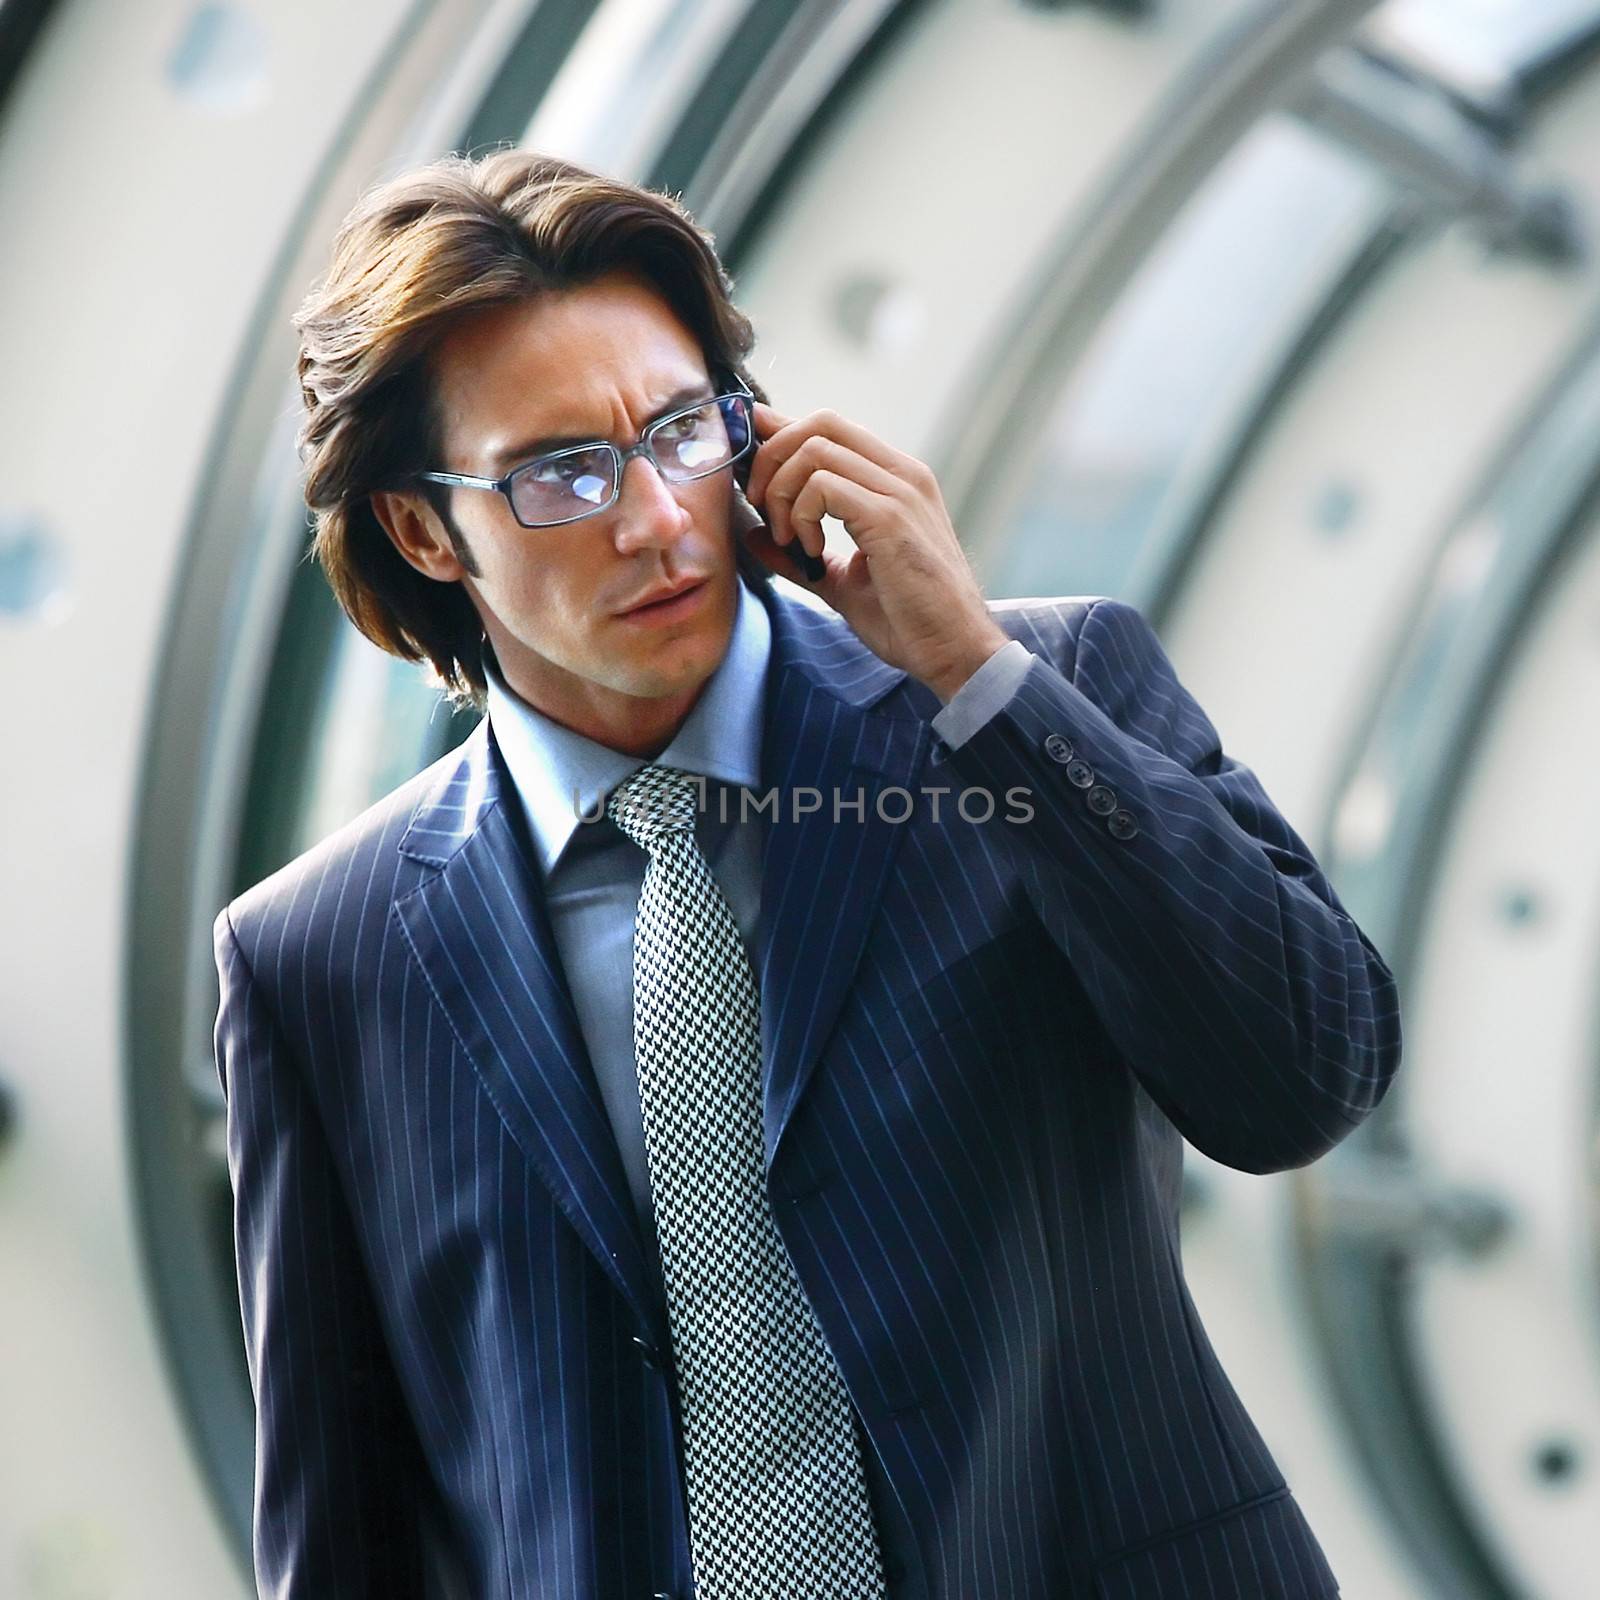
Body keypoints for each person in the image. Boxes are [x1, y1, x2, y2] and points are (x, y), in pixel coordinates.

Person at [211, 145, 1401, 1600]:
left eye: (682, 432)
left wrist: (973, 676)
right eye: (561, 474)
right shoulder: (319, 959)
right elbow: (342, 1532)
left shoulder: (1034, 696)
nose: (653, 517)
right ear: (419, 528)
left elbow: (1303, 1079)